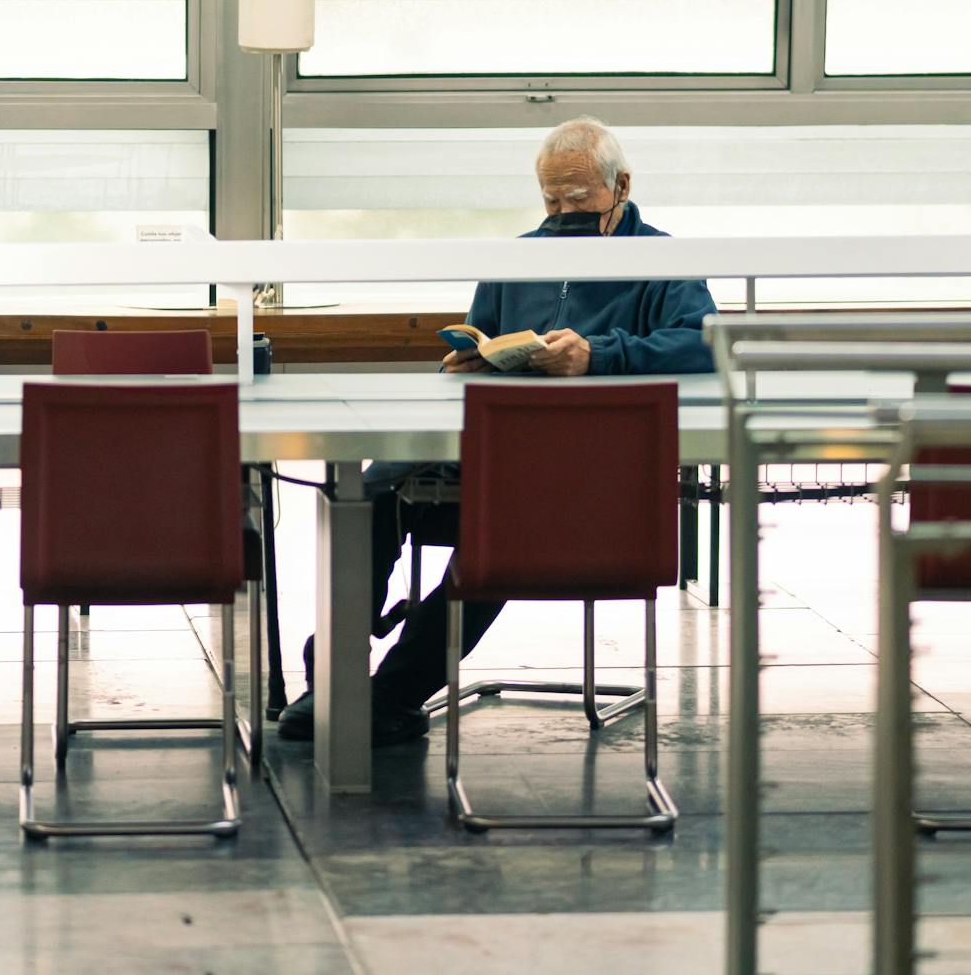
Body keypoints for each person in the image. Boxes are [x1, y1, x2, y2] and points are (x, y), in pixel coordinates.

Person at [278, 116, 717, 745]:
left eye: (578, 199)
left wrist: (598, 355)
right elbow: (480, 332)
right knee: (371, 492)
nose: (561, 212)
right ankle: (334, 673)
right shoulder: (517, 257)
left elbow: (701, 343)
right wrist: (471, 357)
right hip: (491, 448)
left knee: (503, 531)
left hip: (586, 470)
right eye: (550, 199)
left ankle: (391, 694)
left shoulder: (661, 261)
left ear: (621, 186)